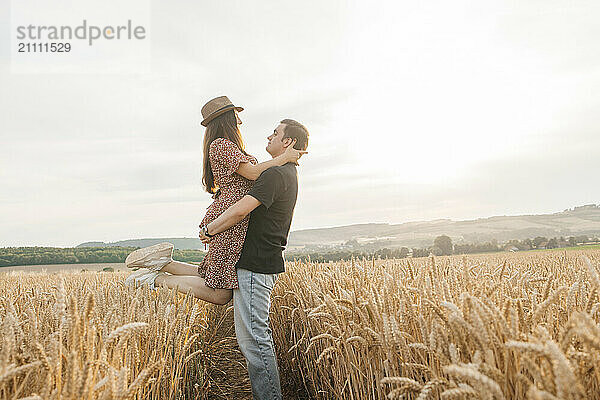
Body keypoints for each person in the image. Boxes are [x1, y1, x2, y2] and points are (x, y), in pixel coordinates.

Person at [124, 96, 305, 306]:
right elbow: (254, 173)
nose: (240, 121)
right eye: (237, 115)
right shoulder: (221, 145)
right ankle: (156, 279)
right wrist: (284, 158)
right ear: (227, 118)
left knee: (209, 273)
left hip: (232, 218)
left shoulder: (229, 147)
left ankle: (164, 264)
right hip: (230, 217)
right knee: (220, 293)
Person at [198, 118, 309, 400]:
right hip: (259, 264)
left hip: (256, 265)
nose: (269, 136)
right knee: (254, 339)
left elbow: (239, 210)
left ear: (288, 142)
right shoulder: (285, 172)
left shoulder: (275, 174)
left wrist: (209, 229)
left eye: (276, 133)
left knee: (254, 341)